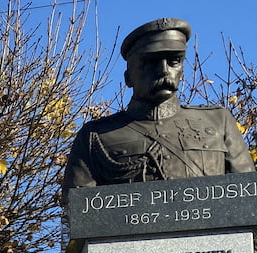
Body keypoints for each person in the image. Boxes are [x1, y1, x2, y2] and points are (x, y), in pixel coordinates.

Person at [63, 18, 255, 194]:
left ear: (182, 71)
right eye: (150, 63)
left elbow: (247, 196)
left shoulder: (218, 121)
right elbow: (81, 209)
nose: (164, 71)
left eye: (174, 61)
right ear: (128, 77)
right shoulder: (95, 136)